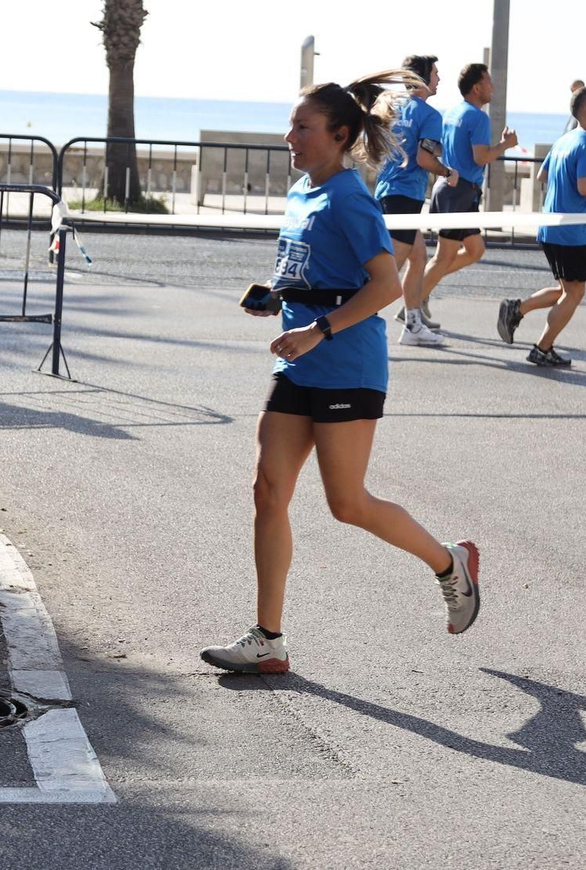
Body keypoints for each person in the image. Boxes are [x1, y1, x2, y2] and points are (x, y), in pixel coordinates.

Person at [200, 71, 481, 674]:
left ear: (340, 134)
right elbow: (314, 272)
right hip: (297, 362)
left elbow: (384, 286)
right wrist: (278, 297)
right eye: (292, 124)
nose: (289, 136)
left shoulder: (352, 197)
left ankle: (447, 562)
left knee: (347, 503)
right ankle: (268, 638)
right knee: (267, 491)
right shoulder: (303, 191)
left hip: (346, 364)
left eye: (303, 126)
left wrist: (318, 329)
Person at [496, 88, 586, 367]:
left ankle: (517, 309)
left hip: (550, 226)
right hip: (570, 231)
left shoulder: (564, 140)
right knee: (575, 292)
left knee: (564, 289)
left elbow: (543, 175)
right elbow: (585, 187)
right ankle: (541, 348)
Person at [420, 63, 518, 327]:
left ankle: (420, 291)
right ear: (477, 87)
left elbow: (441, 148)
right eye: (488, 81)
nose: (493, 87)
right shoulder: (478, 117)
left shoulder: (452, 112)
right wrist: (505, 145)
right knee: (444, 257)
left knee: (475, 250)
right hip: (459, 190)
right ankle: (414, 302)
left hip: (452, 188)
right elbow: (481, 156)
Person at [375, 55, 451, 348]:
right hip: (405, 195)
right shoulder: (430, 115)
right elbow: (424, 158)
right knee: (387, 270)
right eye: (435, 73)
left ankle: (413, 325)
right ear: (422, 78)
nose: (439, 79)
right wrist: (447, 171)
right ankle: (349, 321)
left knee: (418, 258)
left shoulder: (393, 107)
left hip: (385, 190)